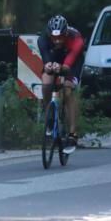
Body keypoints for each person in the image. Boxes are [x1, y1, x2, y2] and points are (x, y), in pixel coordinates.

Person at [38, 15, 85, 153]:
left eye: (60, 37)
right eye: (54, 38)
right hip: (55, 57)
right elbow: (46, 62)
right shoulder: (43, 39)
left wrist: (62, 68)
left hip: (72, 59)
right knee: (46, 82)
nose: (57, 40)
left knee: (68, 90)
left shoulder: (77, 40)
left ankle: (72, 134)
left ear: (66, 34)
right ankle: (49, 115)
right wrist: (48, 67)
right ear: (49, 34)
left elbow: (68, 66)